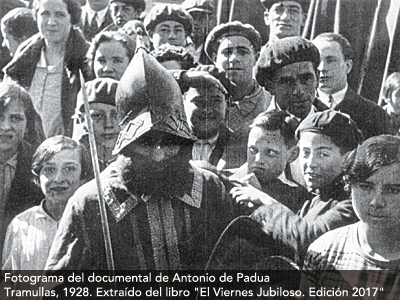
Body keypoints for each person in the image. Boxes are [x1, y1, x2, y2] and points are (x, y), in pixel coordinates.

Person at [44, 46, 233, 270]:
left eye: (170, 143)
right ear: (128, 147)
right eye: (146, 144)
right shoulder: (90, 202)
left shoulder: (210, 189)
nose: (159, 154)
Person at [239, 110, 363, 265]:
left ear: (347, 158)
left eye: (322, 154)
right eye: (306, 153)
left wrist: (263, 200)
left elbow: (305, 240)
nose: (310, 163)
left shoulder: (353, 203)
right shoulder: (313, 200)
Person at [301, 135, 400, 298]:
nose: (377, 202)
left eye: (393, 190)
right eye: (366, 187)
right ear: (349, 186)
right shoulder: (324, 252)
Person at [3, 0, 90, 138]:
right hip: (25, 146)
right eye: (45, 14)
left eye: (60, 15)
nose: (51, 22)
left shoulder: (86, 57)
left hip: (66, 148)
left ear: (72, 18)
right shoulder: (24, 55)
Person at [2, 135, 90, 270]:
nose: (58, 178)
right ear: (37, 176)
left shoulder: (93, 221)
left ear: (83, 176)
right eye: (49, 169)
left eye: (69, 169)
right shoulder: (21, 224)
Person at [205, 21, 272, 168]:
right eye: (227, 52)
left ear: (256, 57)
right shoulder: (200, 101)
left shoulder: (270, 104)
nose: (234, 58)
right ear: (214, 57)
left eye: (243, 52)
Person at [230, 110, 310, 215]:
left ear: (293, 154)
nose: (258, 159)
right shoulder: (225, 182)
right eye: (253, 150)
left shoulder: (298, 197)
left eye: (270, 152)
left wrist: (261, 197)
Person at [312, 32, 391, 139]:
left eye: (330, 60)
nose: (322, 68)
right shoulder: (301, 110)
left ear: (348, 66)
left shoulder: (375, 115)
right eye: (316, 61)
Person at [0, 81, 44, 263]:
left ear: (27, 125)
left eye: (15, 118)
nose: (5, 126)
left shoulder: (39, 164)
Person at [183, 69, 230, 164]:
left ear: (226, 103)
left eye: (216, 101)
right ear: (182, 101)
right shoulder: (169, 140)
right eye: (199, 101)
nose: (207, 110)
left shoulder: (238, 142)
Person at [74, 78, 119, 172]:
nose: (108, 124)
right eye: (97, 116)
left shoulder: (139, 154)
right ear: (81, 120)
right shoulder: (74, 156)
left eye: (116, 115)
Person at [181, 0, 215, 65]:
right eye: (192, 17)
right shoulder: (177, 43)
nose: (196, 23)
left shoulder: (213, 46)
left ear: (210, 20)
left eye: (201, 18)